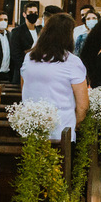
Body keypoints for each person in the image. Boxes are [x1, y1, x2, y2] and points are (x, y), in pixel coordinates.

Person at [20, 13, 89, 141]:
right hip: (62, 130)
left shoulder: (29, 58)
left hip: (31, 129)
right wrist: (76, 125)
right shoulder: (72, 62)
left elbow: (24, 87)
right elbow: (83, 105)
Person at [9, 3, 41, 85]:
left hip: (38, 72)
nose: (33, 15)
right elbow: (15, 54)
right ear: (24, 14)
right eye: (30, 13)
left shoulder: (40, 31)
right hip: (22, 72)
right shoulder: (17, 31)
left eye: (35, 13)